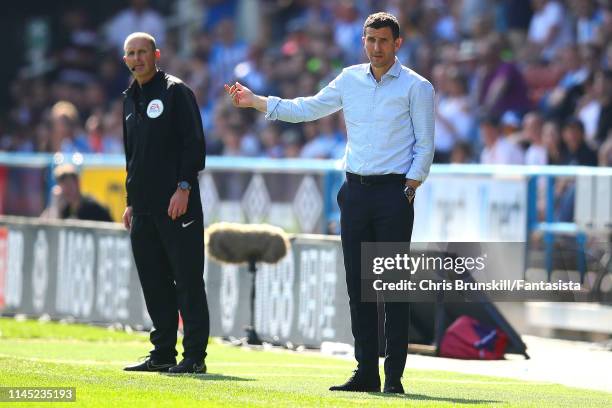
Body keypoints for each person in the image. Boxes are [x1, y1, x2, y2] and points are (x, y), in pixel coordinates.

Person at [225, 12, 435, 394]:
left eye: (384, 41)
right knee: (358, 287)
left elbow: (426, 145)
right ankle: (366, 373)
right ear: (363, 41)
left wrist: (409, 188)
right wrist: (257, 102)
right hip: (354, 191)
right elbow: (307, 108)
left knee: (392, 288)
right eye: (370, 40)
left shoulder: (417, 87)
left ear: (397, 44)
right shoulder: (349, 79)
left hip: (393, 194)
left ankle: (394, 379)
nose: (376, 47)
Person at [121, 32, 209, 374]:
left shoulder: (176, 92)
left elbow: (194, 145)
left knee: (187, 280)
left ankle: (195, 356)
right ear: (125, 59)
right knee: (154, 281)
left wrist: (184, 186)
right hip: (142, 207)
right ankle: (162, 353)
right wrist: (130, 201)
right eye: (131, 53)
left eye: (143, 52)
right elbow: (132, 156)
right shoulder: (128, 98)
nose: (137, 58)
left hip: (177, 205)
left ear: (156, 54)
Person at [41, 163, 113, 222]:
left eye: (69, 185)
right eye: (63, 185)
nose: (67, 190)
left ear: (78, 183)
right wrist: (55, 204)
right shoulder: (64, 208)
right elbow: (46, 226)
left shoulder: (93, 208)